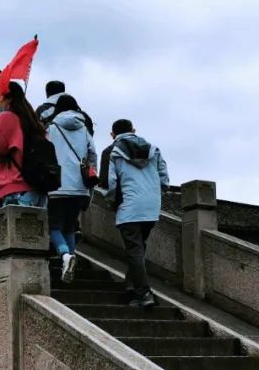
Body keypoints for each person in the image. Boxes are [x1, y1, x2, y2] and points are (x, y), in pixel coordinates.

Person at [107, 119, 169, 308]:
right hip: (151, 207)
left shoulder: (114, 152)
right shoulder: (153, 149)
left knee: (134, 250)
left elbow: (112, 183)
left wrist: (111, 202)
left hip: (129, 207)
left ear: (112, 135)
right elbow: (164, 178)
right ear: (134, 130)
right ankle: (131, 289)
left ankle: (144, 294)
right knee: (138, 249)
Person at [47, 95, 97, 282]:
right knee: (69, 227)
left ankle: (65, 255)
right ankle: (70, 263)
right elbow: (92, 155)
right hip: (79, 188)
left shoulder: (51, 128)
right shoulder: (84, 129)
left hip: (57, 186)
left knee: (54, 226)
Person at [0, 81, 48, 208]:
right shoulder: (33, 122)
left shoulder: (7, 117)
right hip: (37, 187)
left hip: (17, 187)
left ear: (9, 99)